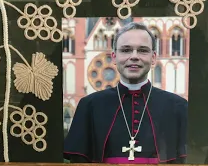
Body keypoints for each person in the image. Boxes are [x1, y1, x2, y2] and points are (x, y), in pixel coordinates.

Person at [63, 22, 188, 164]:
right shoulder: (90, 106)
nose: (134, 56)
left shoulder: (178, 107)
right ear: (114, 57)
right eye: (126, 50)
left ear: (153, 58)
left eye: (142, 50)